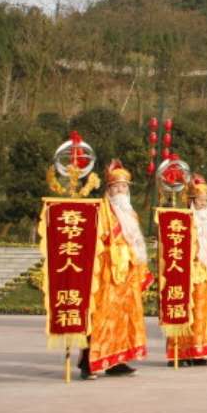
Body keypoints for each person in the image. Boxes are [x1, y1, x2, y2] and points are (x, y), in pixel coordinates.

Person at [79, 160, 149, 378]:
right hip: (106, 273)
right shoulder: (101, 211)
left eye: (125, 186)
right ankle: (89, 363)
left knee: (124, 319)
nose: (121, 190)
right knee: (101, 318)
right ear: (108, 189)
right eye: (116, 186)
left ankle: (117, 361)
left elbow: (137, 244)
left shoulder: (131, 214)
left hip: (127, 274)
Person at [167, 174, 207, 366]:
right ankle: (180, 352)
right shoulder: (183, 222)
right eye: (199, 200)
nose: (203, 204)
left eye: (205, 200)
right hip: (188, 274)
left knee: (204, 315)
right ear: (191, 200)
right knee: (186, 312)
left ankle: (199, 351)